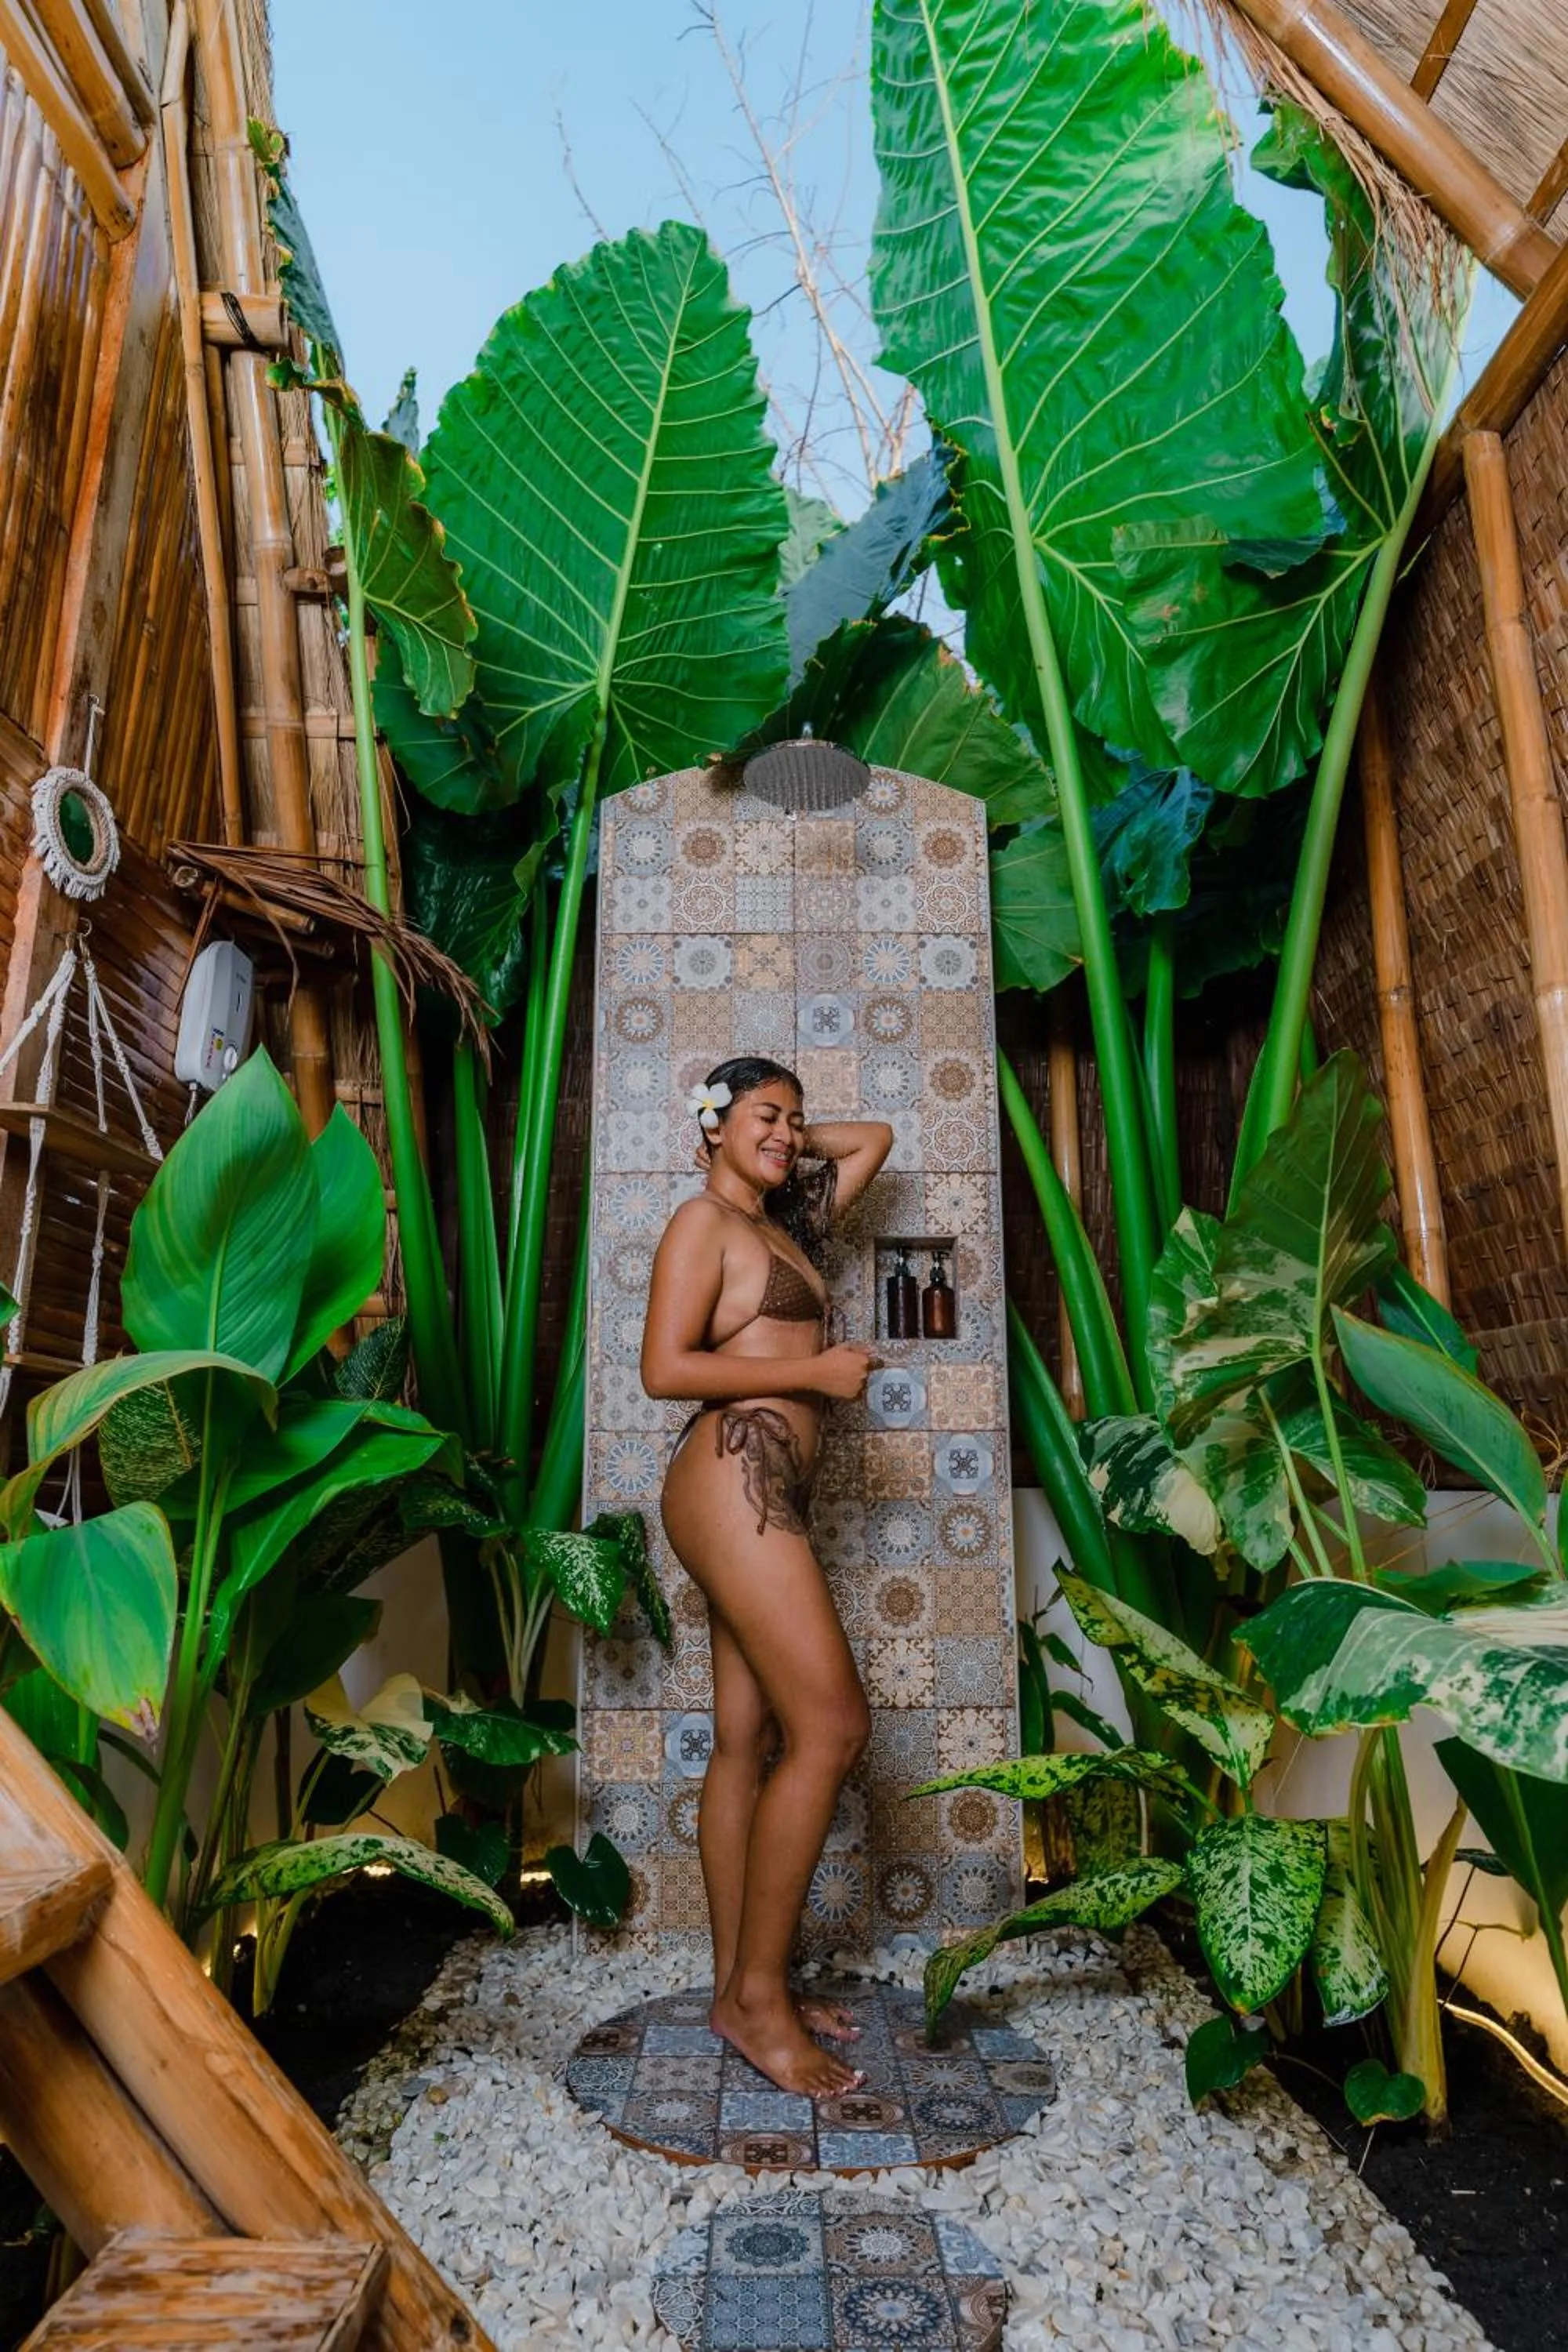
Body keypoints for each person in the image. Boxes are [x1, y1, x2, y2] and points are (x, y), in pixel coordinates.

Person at [640, 1055, 893, 2097]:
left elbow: (873, 1141)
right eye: (764, 1115)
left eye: (795, 1118)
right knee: (833, 1729)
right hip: (728, 1475)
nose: (787, 1133)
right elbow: (665, 1368)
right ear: (710, 1123)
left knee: (748, 1740)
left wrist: (779, 1133)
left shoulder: (783, 1226)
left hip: (763, 1485)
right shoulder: (702, 1225)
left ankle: (742, 1990)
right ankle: (756, 2000)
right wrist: (813, 1371)